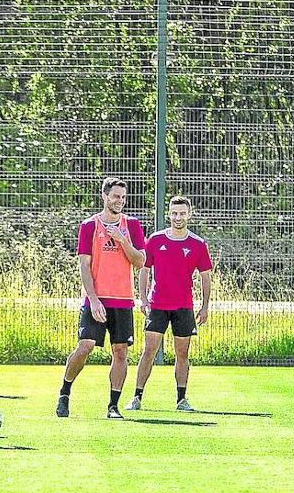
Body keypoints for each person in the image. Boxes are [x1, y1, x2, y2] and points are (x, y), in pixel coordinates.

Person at [57, 177, 146, 420]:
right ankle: (65, 391)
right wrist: (93, 300)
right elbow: (84, 266)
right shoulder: (89, 225)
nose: (120, 201)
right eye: (116, 196)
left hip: (123, 300)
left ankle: (113, 406)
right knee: (85, 346)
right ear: (104, 196)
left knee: (120, 352)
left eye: (123, 197)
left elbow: (140, 261)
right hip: (96, 299)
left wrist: (121, 239)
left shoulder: (133, 225)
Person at [127, 195, 212, 412]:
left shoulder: (198, 244)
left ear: (189, 215)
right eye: (174, 213)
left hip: (184, 306)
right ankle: (136, 397)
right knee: (149, 350)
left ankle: (181, 400)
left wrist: (204, 306)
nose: (178, 217)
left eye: (182, 213)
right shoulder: (155, 240)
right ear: (169, 214)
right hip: (157, 306)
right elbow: (144, 270)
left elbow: (205, 277)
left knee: (182, 354)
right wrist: (144, 299)